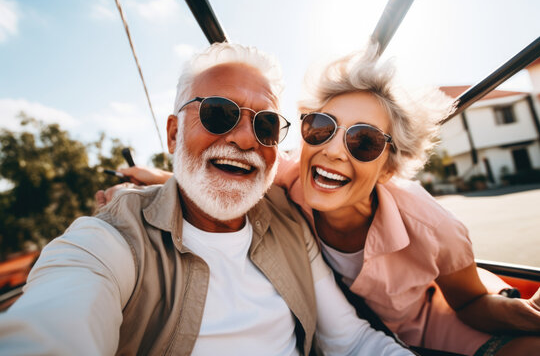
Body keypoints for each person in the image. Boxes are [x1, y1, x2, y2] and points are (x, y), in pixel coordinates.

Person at [104, 44, 540, 356]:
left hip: (430, 317)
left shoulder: (431, 225)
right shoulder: (291, 177)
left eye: (364, 142)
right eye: (321, 128)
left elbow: (467, 303)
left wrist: (528, 318)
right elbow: (223, 172)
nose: (333, 150)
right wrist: (149, 184)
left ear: (388, 168)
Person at [0, 43, 411, 356]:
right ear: (174, 134)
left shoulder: (289, 221)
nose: (246, 138)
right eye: (219, 113)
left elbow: (352, 341)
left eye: (265, 124)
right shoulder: (112, 239)